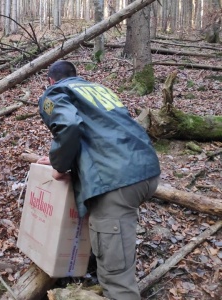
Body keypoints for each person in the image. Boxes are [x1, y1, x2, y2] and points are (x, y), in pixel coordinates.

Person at [36, 60, 160, 300]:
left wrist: (59, 165)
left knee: (117, 282)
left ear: (51, 80)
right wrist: (60, 157)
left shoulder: (56, 92)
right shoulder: (97, 89)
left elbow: (69, 125)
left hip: (117, 181)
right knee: (112, 237)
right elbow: (100, 134)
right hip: (146, 169)